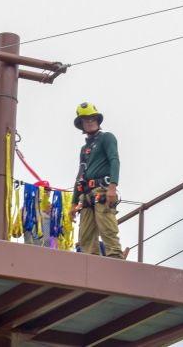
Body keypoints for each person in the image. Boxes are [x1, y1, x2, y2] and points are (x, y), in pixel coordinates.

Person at [68, 102, 125, 258]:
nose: (90, 121)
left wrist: (112, 187)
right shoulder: (84, 149)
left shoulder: (107, 138)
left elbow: (114, 160)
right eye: (86, 120)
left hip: (102, 191)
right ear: (82, 125)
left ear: (98, 120)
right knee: (85, 238)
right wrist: (73, 204)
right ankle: (92, 265)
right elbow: (79, 177)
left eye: (93, 118)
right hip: (85, 196)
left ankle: (115, 261)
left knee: (108, 230)